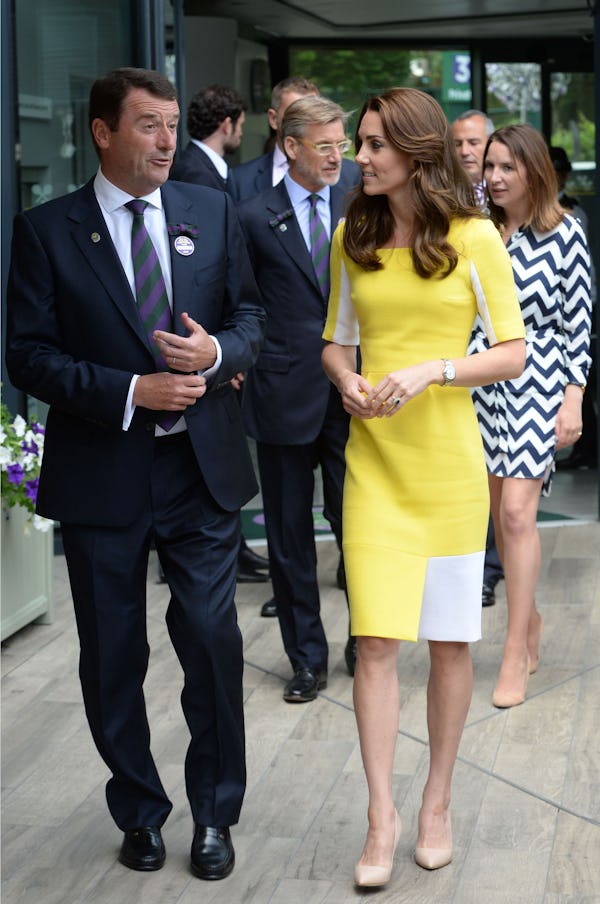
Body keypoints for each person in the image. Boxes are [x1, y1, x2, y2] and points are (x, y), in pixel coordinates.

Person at [5, 67, 265, 881]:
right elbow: (28, 356)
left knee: (214, 640)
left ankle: (215, 813)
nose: (165, 141)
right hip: (104, 475)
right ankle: (140, 810)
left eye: (173, 124)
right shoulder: (46, 230)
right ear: (102, 132)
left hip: (200, 469)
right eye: (148, 125)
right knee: (112, 655)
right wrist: (130, 390)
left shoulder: (210, 210)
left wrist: (219, 352)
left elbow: (251, 318)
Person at [321, 87, 525, 888]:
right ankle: (382, 817)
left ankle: (436, 800)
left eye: (373, 144)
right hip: (373, 466)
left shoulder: (474, 238)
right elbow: (334, 342)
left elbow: (510, 352)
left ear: (414, 149)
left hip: (445, 468)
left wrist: (430, 370)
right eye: (359, 143)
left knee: (446, 644)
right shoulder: (351, 236)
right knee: (374, 641)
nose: (359, 156)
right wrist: (348, 380)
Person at [237, 95, 355, 698]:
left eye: (344, 143)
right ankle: (306, 657)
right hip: (282, 393)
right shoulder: (254, 216)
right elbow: (241, 303)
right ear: (291, 146)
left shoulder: (365, 205)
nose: (339, 155)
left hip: (353, 392)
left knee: (355, 524)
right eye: (326, 145)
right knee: (288, 538)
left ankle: (366, 639)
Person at [472, 124, 592, 708]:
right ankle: (531, 615)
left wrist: (573, 397)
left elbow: (578, 325)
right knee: (498, 512)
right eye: (488, 166)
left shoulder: (566, 234)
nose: (492, 177)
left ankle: (515, 648)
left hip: (538, 379)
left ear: (533, 171)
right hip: (478, 380)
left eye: (505, 168)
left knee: (518, 513)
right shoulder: (474, 229)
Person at [169, 83, 270, 584]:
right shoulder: (191, 174)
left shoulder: (211, 171)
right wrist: (206, 353)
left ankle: (234, 551)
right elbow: (192, 281)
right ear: (229, 123)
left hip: (211, 352)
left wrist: (221, 354)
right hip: (187, 358)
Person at [452, 108, 504, 607]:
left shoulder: (508, 203)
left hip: (505, 356)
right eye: (459, 143)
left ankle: (495, 562)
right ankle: (480, 563)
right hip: (456, 360)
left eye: (475, 143)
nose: (467, 151)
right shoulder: (441, 206)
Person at [233, 76, 361, 204]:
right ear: (273, 119)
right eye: (296, 114)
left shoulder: (353, 175)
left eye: (315, 110)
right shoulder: (240, 179)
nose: (336, 157)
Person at [549, 145, 597, 471]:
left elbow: (582, 276)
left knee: (582, 388)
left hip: (577, 309)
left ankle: (587, 450)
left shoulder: (571, 214)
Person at [170, 83, 245, 200]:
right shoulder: (197, 175)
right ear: (227, 125)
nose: (241, 133)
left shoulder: (195, 166)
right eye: (241, 125)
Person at [451, 108, 495, 207]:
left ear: (491, 143)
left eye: (473, 143)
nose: (464, 151)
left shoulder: (506, 190)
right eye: (457, 144)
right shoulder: (442, 192)